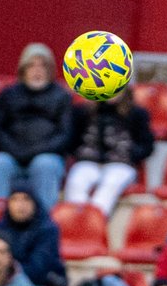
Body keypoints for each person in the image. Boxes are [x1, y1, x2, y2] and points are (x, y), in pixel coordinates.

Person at [0, 43, 73, 205]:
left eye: (42, 66)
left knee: (45, 165)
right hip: (11, 155)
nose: (37, 70)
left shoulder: (62, 97)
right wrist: (15, 151)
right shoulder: (8, 95)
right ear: (22, 70)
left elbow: (65, 135)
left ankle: (43, 224)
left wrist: (35, 152)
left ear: (50, 70)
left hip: (46, 155)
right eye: (31, 65)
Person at [64, 85, 154, 217]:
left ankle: (95, 224)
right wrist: (80, 153)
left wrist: (130, 154)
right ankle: (78, 222)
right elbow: (71, 141)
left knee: (110, 185)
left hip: (121, 164)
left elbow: (147, 146)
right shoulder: (82, 111)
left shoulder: (137, 113)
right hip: (88, 161)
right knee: (76, 183)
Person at [0, 183, 66, 286]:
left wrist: (4, 270)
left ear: (35, 203)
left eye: (26, 199)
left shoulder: (48, 229)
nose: (20, 205)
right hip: (2, 284)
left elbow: (37, 271)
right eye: (15, 199)